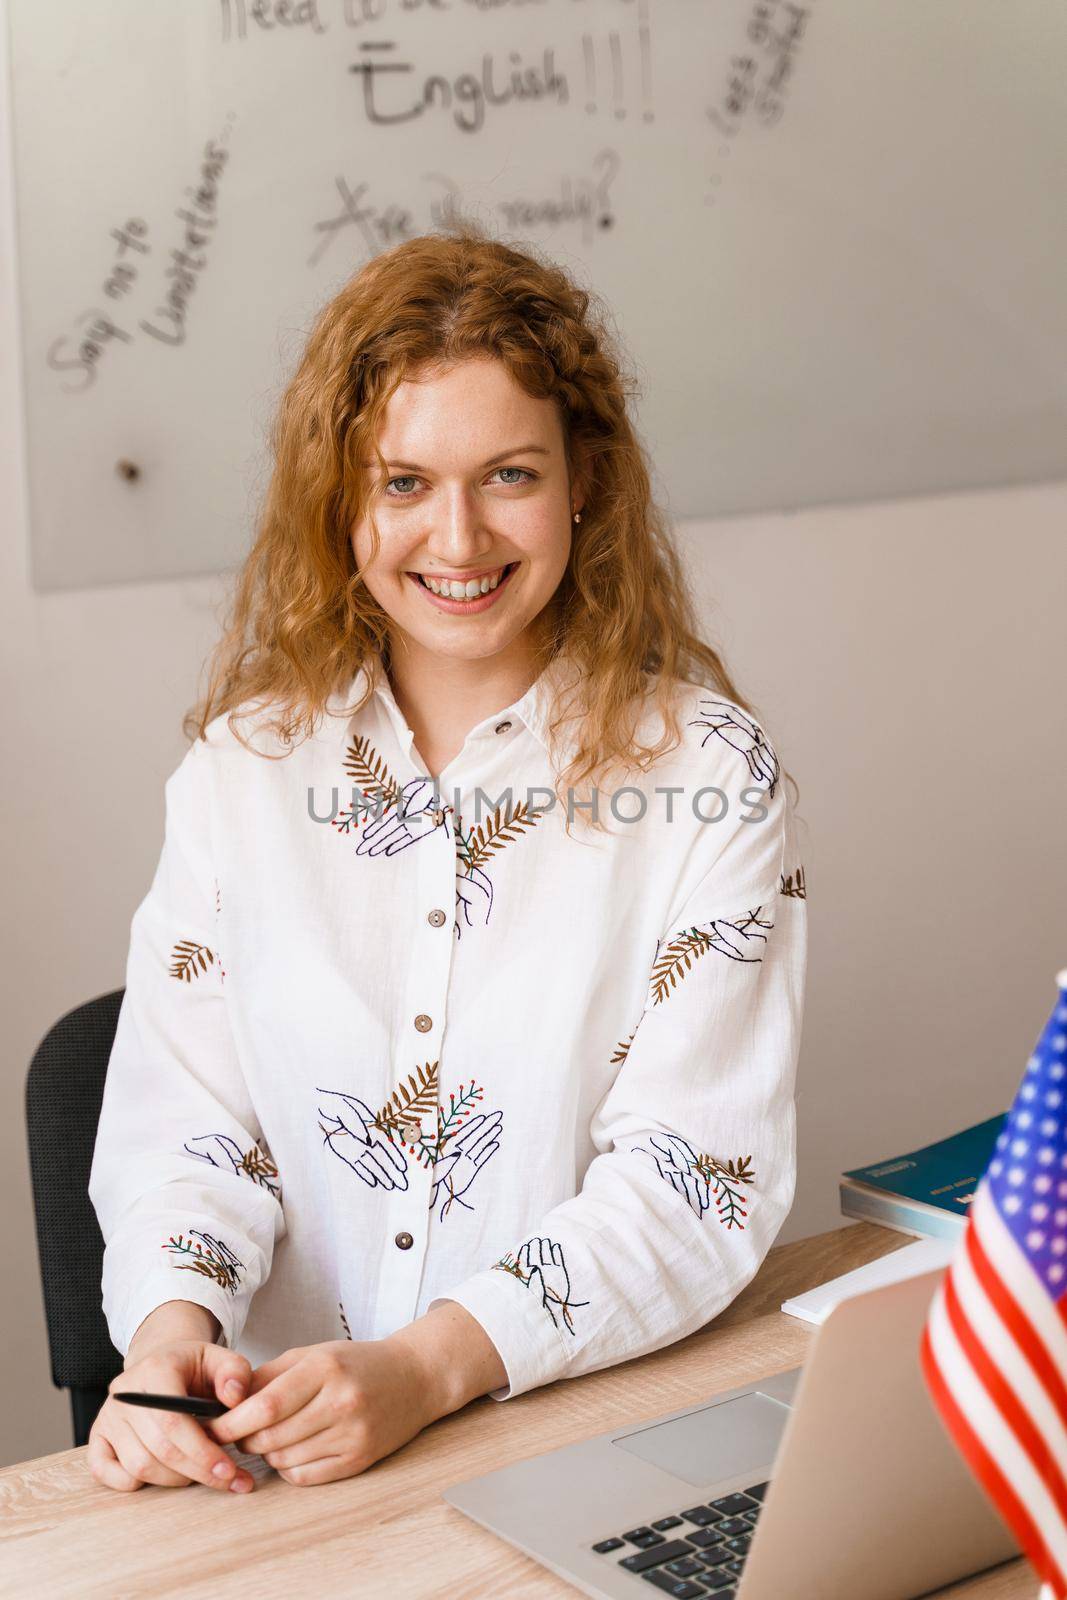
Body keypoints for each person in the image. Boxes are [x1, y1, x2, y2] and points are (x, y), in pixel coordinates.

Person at [87, 224, 808, 1498]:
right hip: (272, 1472)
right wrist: (168, 1338)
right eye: (403, 482)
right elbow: (187, 1124)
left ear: (583, 480)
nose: (458, 538)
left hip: (577, 1444)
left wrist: (427, 1366)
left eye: (508, 475)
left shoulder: (707, 777)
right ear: (341, 498)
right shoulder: (239, 771)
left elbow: (691, 1183)